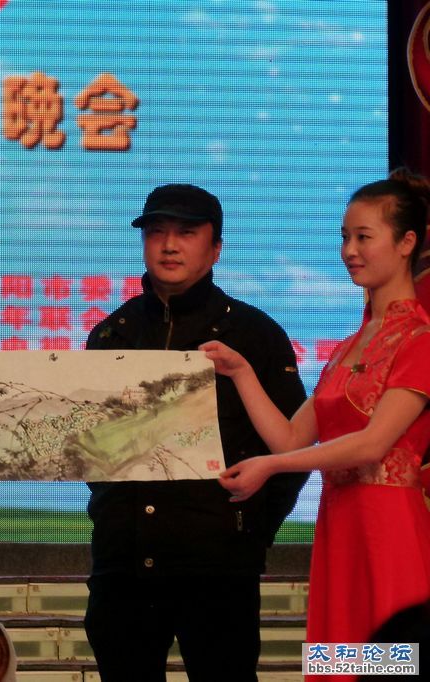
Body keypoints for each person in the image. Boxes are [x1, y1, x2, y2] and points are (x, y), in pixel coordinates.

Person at [205, 169, 430, 679]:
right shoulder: (349, 346)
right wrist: (240, 371)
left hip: (390, 534)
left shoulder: (420, 339)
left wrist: (271, 466)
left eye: (364, 237)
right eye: (345, 237)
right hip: (340, 531)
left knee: (393, 666)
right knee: (338, 664)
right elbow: (289, 437)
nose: (349, 250)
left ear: (406, 243)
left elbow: (371, 445)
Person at [83, 183, 308, 681]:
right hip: (123, 568)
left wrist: (250, 530)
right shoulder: (111, 334)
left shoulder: (255, 334)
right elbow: (92, 449)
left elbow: (294, 452)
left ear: (216, 248)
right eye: (156, 232)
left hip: (218, 569)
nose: (169, 245)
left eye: (186, 233)